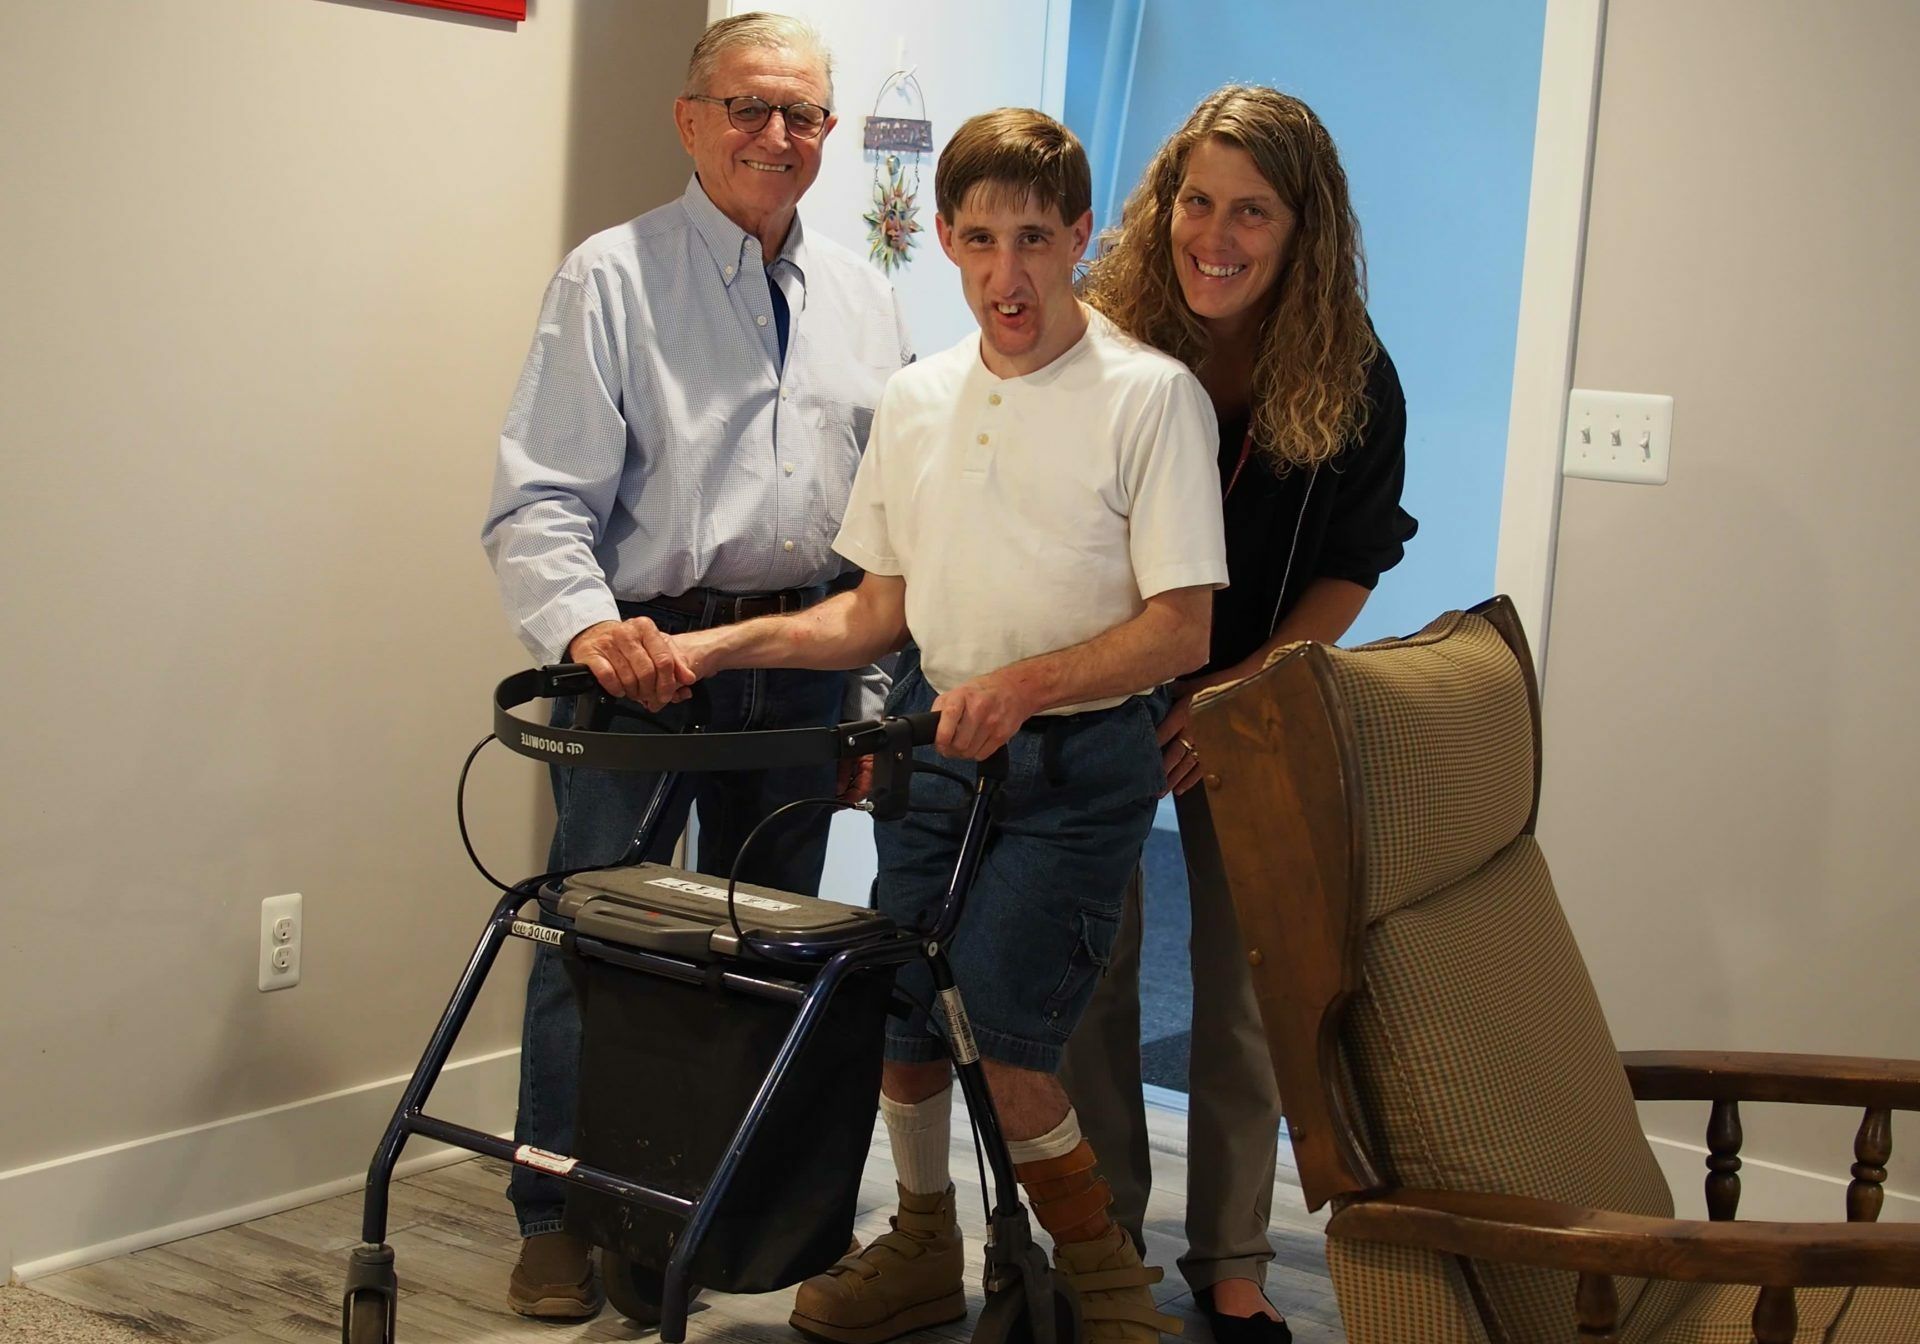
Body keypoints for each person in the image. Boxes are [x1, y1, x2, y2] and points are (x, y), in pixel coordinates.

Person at [656, 109, 1227, 1344]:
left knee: (1011, 1049)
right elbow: (874, 612)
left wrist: (1025, 686)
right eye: (976, 241)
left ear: (1081, 234)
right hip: (933, 751)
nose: (1003, 275)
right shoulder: (916, 401)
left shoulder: (1151, 399)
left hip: (1078, 766)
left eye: (1033, 239)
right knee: (902, 1025)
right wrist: (710, 646)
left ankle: (1108, 1286)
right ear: (948, 244)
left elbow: (1182, 630)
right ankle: (923, 1249)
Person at [479, 12, 910, 1320]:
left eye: (803, 118)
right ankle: (556, 1209)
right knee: (591, 942)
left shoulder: (864, 296)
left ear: (828, 138)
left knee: (761, 951)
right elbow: (537, 504)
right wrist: (584, 632)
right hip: (642, 667)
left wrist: (870, 703)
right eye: (749, 109)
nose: (776, 138)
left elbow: (890, 526)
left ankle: (722, 1211)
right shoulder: (610, 279)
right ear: (690, 118)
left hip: (803, 667)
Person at [1063, 86, 1417, 1344]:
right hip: (1101, 696)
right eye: (1196, 201)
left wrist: (1234, 689)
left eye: (1251, 210)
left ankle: (1231, 1262)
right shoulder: (1101, 335)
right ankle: (1098, 1239)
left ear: (1301, 226)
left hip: (1256, 709)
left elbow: (1355, 564)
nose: (1215, 234)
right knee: (1093, 975)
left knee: (1245, 992)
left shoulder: (1355, 376)